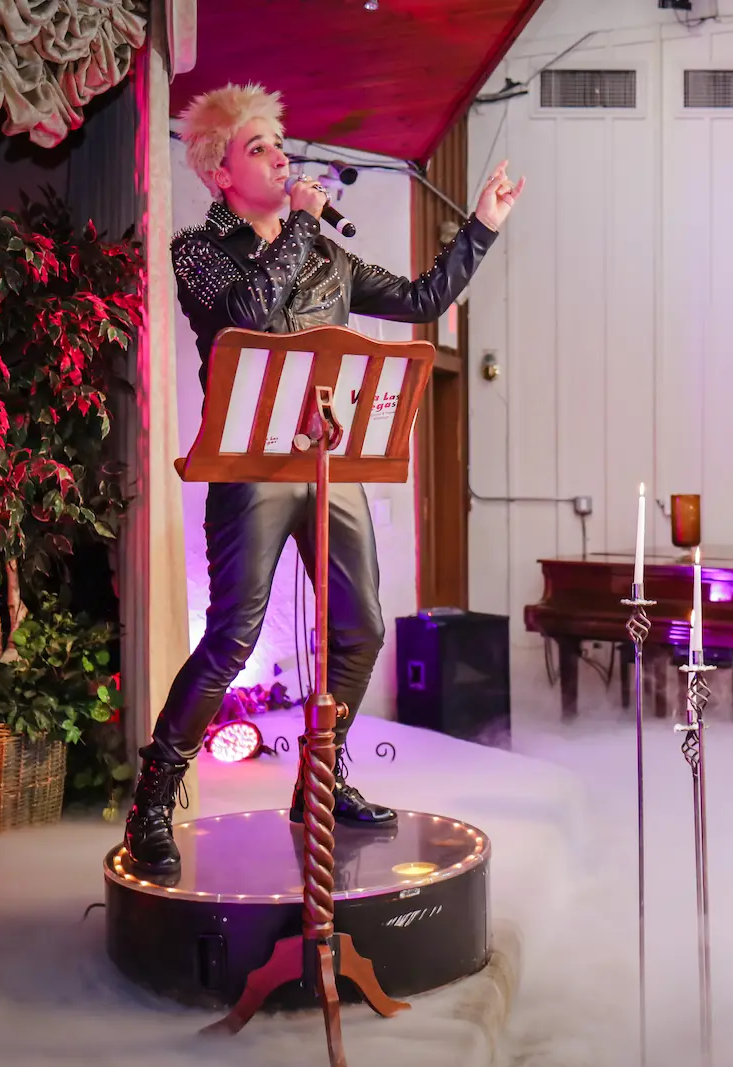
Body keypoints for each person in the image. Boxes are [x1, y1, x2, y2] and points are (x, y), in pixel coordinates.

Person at [122, 83, 524, 878]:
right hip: (252, 462)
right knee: (234, 633)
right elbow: (250, 312)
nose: (281, 155)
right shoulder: (199, 251)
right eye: (260, 147)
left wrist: (482, 226)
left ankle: (322, 776)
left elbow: (421, 299)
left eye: (281, 141)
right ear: (221, 175)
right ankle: (154, 797)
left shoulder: (330, 255)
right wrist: (302, 223)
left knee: (363, 626)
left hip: (331, 459)